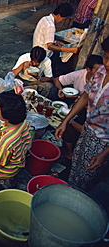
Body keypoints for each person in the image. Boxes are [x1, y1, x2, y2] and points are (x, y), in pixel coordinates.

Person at [55, 36, 109, 191]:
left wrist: (104, 154)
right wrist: (65, 121)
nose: (107, 63)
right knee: (76, 167)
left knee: (88, 177)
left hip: (103, 142)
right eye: (106, 57)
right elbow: (85, 96)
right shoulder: (100, 71)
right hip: (87, 131)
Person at [33, 3, 78, 76]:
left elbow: (45, 37)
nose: (62, 21)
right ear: (59, 15)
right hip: (44, 54)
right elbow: (49, 46)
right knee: (65, 64)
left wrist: (56, 42)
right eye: (63, 19)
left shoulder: (45, 18)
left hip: (36, 49)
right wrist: (69, 50)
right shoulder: (50, 26)